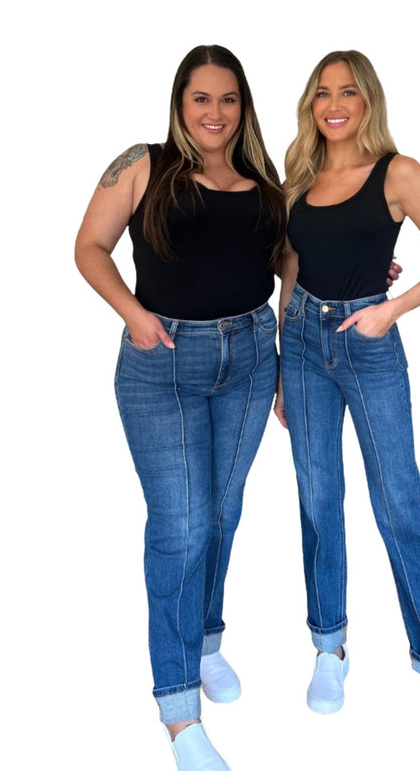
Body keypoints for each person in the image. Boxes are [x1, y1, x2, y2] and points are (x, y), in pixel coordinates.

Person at [74, 45, 286, 771]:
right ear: (180, 101)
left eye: (228, 100)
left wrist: (359, 265)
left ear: (243, 106)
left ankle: (205, 638)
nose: (215, 113)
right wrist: (133, 313)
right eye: (202, 98)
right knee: (181, 523)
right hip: (161, 361)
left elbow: (286, 261)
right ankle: (178, 710)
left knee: (221, 511)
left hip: (253, 358)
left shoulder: (262, 182)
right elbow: (91, 247)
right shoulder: (143, 163)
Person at [275, 50, 420, 756]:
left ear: (369, 101)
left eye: (349, 93)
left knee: (399, 506)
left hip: (368, 343)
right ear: (312, 103)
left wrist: (389, 310)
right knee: (316, 499)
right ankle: (329, 647)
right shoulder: (299, 174)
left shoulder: (399, 172)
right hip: (302, 345)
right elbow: (293, 267)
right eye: (324, 93)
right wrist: (278, 357)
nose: (335, 104)